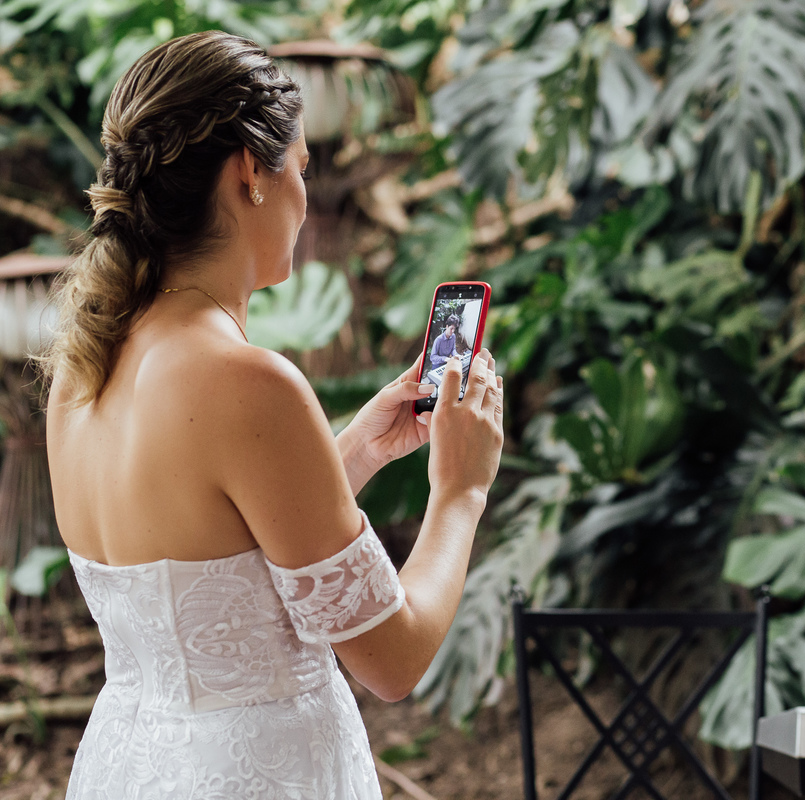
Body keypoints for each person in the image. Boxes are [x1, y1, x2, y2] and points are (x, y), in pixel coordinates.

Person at [43, 31, 503, 800]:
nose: (304, 194)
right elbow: (392, 660)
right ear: (252, 172)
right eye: (302, 167)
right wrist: (461, 489)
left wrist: (352, 450)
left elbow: (215, 547)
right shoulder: (248, 382)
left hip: (125, 770)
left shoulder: (81, 368)